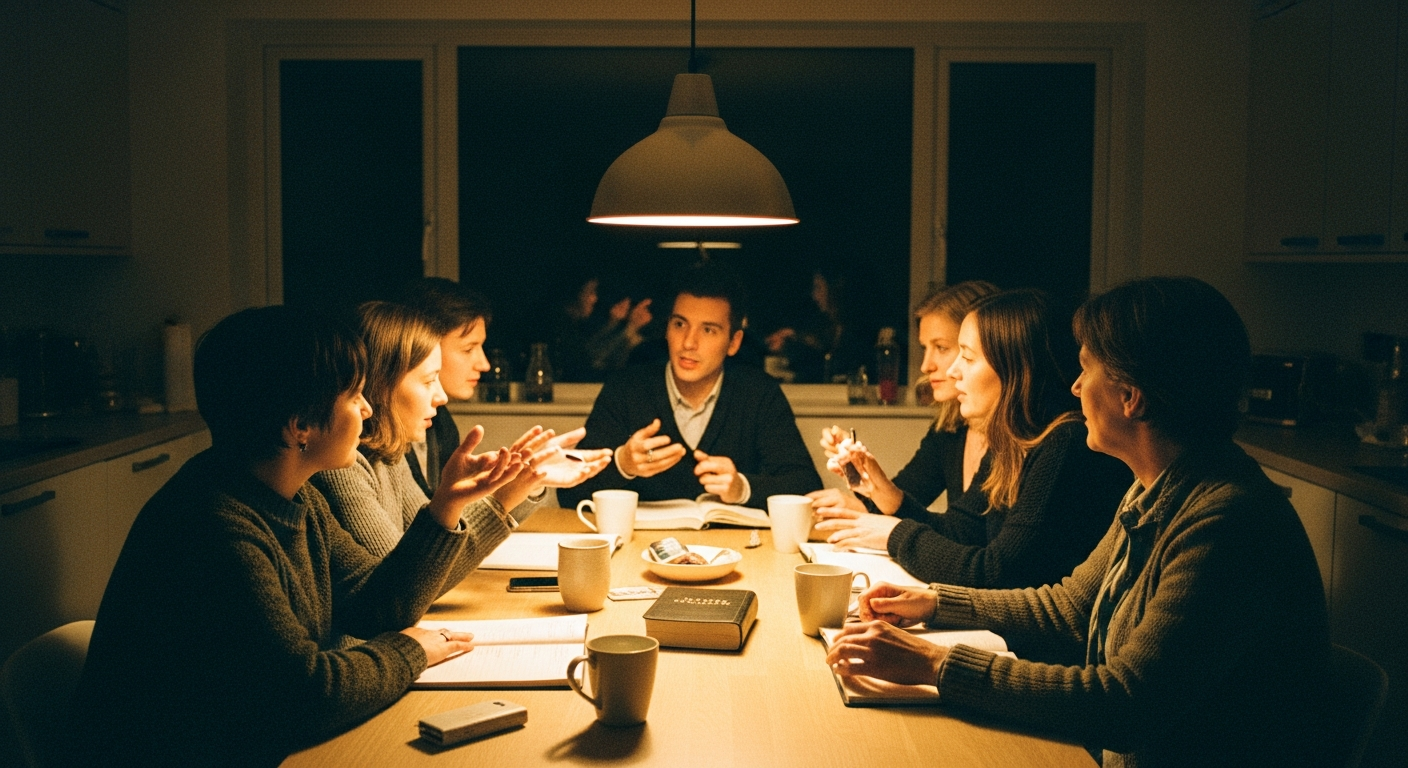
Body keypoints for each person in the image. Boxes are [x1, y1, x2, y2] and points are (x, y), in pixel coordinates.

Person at [826, 277, 1332, 767]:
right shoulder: (1154, 488)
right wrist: (935, 603)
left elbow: (1126, 702)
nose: (1073, 386)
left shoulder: (1226, 521)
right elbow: (1069, 607)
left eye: (1085, 369)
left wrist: (934, 664)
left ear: (1129, 396)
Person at [72, 306, 523, 766]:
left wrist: (445, 506)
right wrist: (410, 650)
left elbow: (380, 605)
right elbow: (308, 694)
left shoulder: (295, 497)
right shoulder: (215, 528)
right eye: (354, 396)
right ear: (300, 426)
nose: (368, 409)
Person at [812, 289, 1130, 588]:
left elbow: (998, 571)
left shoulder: (1064, 442)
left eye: (966, 356)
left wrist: (895, 535)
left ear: (1014, 368)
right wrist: (883, 493)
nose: (951, 371)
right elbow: (960, 531)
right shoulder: (1012, 439)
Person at [312, 302, 610, 591]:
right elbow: (408, 588)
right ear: (380, 385)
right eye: (429, 381)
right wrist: (504, 495)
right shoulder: (342, 467)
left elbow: (436, 554)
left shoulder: (389, 456)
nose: (440, 397)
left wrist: (519, 482)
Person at [560, 261, 821, 509]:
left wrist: (742, 488)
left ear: (734, 343)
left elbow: (806, 488)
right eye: (680, 325)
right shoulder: (627, 389)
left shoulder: (758, 393)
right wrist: (622, 464)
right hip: (640, 549)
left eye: (708, 330)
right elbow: (569, 492)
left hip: (736, 551)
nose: (688, 343)